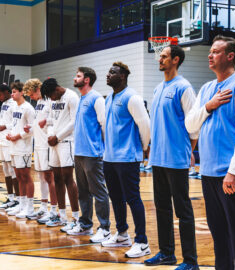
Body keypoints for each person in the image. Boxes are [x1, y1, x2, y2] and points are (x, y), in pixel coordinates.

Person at [185, 35, 235, 270]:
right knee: (217, 231)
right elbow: (190, 125)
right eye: (210, 51)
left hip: (231, 172)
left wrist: (233, 171)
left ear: (230, 56)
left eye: (216, 51)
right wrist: (209, 105)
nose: (210, 54)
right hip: (208, 172)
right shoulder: (207, 88)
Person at [144, 45, 199, 270]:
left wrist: (187, 152)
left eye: (164, 56)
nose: (160, 59)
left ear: (176, 60)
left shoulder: (183, 88)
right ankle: (167, 254)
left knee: (183, 210)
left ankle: (190, 261)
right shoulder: (158, 88)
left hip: (176, 160)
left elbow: (194, 126)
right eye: (160, 56)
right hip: (158, 159)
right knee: (162, 208)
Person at [102, 62, 151, 258]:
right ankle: (122, 233)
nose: (107, 75)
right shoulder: (109, 98)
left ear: (122, 76)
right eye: (108, 71)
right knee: (115, 197)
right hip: (110, 157)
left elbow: (145, 124)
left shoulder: (132, 97)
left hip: (128, 157)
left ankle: (142, 241)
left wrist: (144, 148)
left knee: (133, 198)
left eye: (112, 72)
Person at [66, 67, 111, 243]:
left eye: (78, 76)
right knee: (83, 192)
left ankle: (105, 228)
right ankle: (85, 224)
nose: (74, 78)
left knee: (98, 191)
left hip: (93, 154)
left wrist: (105, 151)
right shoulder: (81, 99)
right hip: (79, 153)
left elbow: (104, 124)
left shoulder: (96, 98)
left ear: (86, 80)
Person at [40, 78, 80, 232]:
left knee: (68, 178)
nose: (50, 99)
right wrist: (51, 136)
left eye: (51, 95)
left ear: (57, 89)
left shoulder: (72, 97)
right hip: (54, 142)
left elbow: (74, 121)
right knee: (56, 178)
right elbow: (50, 120)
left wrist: (58, 137)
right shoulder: (52, 99)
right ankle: (61, 215)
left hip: (67, 142)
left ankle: (76, 218)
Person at [23, 78, 58, 223]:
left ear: (37, 89)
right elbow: (38, 123)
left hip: (47, 145)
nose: (30, 98)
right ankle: (44, 207)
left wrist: (46, 123)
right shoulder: (38, 103)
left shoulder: (50, 101)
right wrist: (30, 128)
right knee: (41, 177)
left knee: (50, 178)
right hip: (37, 145)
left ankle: (55, 210)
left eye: (31, 94)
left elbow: (54, 120)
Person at [5, 82, 36, 218]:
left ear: (22, 92)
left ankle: (29, 207)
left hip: (24, 146)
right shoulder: (14, 108)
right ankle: (22, 204)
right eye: (11, 92)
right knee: (18, 176)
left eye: (14, 92)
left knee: (26, 176)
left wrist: (18, 135)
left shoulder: (28, 108)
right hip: (14, 145)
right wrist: (10, 134)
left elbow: (32, 129)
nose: (12, 94)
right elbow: (14, 124)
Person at [0, 84, 20, 210]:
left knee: (13, 171)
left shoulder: (14, 104)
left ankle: (18, 199)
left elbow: (16, 122)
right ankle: (10, 198)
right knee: (6, 170)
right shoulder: (4, 104)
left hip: (10, 141)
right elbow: (1, 120)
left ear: (7, 92)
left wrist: (5, 127)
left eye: (0, 94)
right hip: (2, 141)